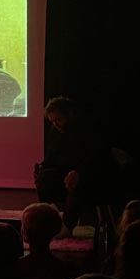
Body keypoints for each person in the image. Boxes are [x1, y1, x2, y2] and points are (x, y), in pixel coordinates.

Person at [34, 96, 115, 231]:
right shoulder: (55, 131)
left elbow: (97, 158)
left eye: (59, 120)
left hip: (91, 174)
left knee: (75, 183)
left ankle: (67, 225)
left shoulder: (89, 130)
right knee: (44, 177)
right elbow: (52, 156)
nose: (56, 124)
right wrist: (42, 167)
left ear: (70, 114)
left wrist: (78, 172)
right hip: (67, 172)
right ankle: (48, 217)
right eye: (52, 121)